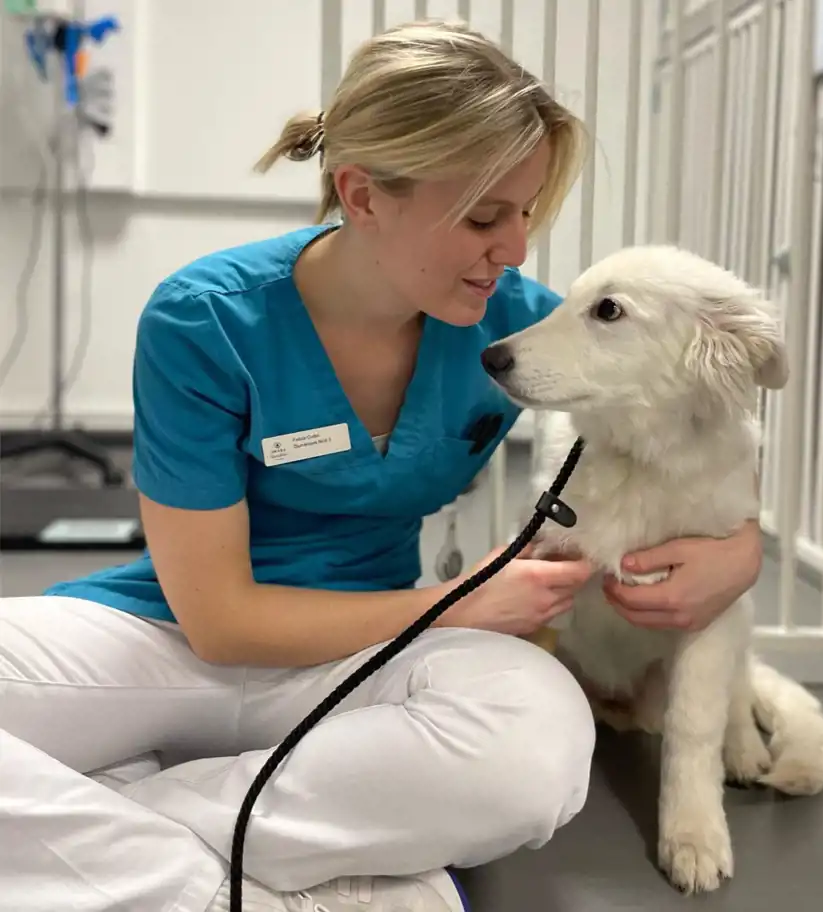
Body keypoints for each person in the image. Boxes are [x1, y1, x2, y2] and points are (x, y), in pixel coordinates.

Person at [0, 19, 763, 912]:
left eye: (526, 213)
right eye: (485, 216)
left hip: (378, 656)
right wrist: (455, 603)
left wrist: (739, 552)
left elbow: (675, 429)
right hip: (174, 637)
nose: (515, 248)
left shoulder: (519, 329)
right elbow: (217, 621)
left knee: (537, 751)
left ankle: (118, 821)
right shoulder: (205, 320)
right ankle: (236, 883)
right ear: (362, 196)